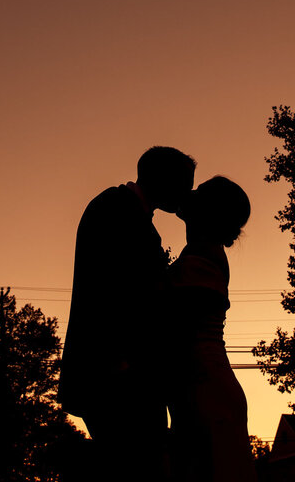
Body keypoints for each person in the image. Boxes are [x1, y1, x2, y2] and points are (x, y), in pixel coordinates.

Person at [59, 146, 197, 482]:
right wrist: (119, 361)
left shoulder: (125, 211)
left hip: (120, 375)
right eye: (185, 185)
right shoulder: (117, 209)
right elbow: (113, 290)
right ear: (165, 180)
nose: (187, 194)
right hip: (115, 376)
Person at [166, 176, 256, 482]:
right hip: (204, 383)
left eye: (199, 191)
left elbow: (174, 327)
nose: (189, 192)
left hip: (205, 386)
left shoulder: (202, 257)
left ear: (208, 211)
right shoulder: (202, 252)